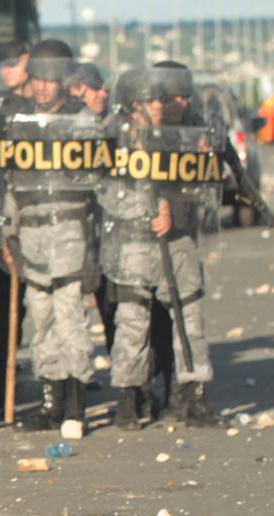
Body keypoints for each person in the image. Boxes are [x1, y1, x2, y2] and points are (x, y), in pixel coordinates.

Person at [99, 66, 225, 429]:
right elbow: (104, 190)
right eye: (152, 100)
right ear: (134, 104)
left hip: (178, 241)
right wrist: (149, 209)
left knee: (190, 318)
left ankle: (195, 394)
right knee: (132, 324)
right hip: (133, 243)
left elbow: (205, 186)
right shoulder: (114, 137)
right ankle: (129, 398)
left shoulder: (184, 133)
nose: (160, 105)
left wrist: (203, 160)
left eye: (162, 99)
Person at [0, 40, 99, 435]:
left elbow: (97, 183)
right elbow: (9, 184)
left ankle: (76, 403)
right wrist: (8, 233)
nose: (42, 88)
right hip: (32, 233)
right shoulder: (20, 123)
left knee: (70, 317)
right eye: (36, 79)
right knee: (40, 319)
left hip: (71, 229)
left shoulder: (83, 121)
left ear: (63, 82)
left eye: (50, 80)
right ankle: (51, 400)